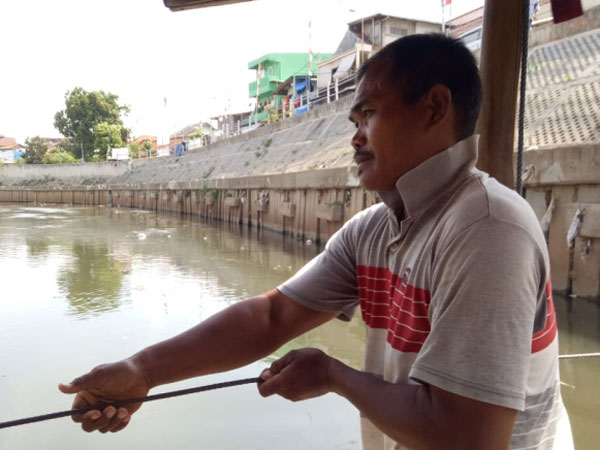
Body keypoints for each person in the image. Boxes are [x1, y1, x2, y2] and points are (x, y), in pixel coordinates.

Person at [59, 34, 572, 449]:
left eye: (368, 114)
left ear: (435, 108)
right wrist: (142, 370)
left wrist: (333, 374)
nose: (355, 137)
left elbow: (468, 437)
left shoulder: (488, 229)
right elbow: (272, 316)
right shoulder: (375, 230)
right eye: (353, 121)